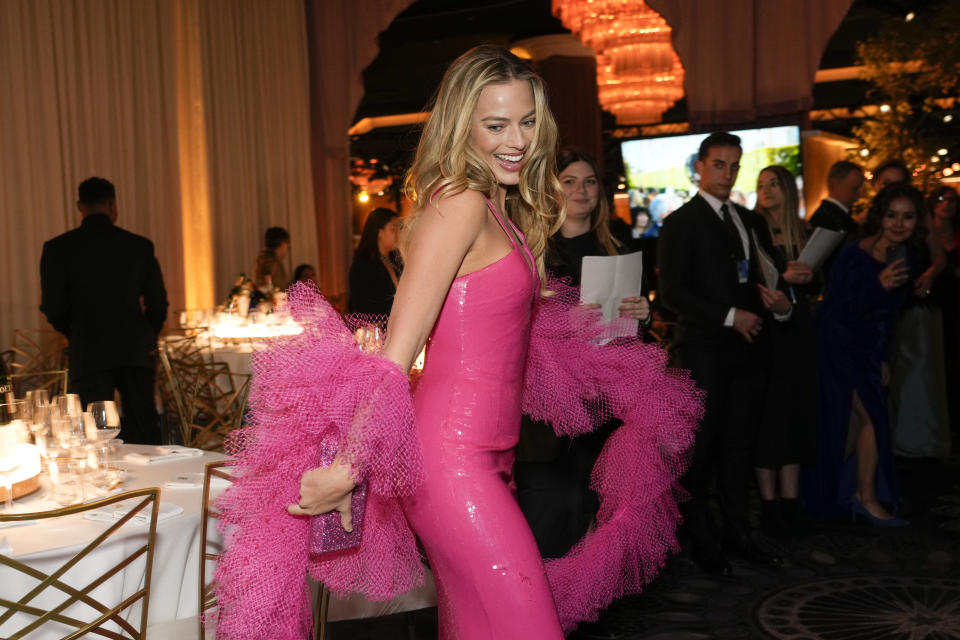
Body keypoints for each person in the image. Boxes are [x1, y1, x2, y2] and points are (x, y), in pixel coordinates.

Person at [214, 46, 701, 640]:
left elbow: (509, 339)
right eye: (496, 125)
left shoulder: (499, 205)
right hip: (452, 464)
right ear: (462, 126)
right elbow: (398, 354)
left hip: (491, 458)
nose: (516, 140)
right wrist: (348, 468)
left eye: (526, 122)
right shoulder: (460, 203)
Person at [658, 132, 793, 575]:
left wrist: (781, 295)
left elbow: (763, 278)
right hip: (704, 354)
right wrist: (730, 315)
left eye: (734, 166)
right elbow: (673, 294)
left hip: (750, 353)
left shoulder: (750, 221)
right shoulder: (681, 222)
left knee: (739, 448)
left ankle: (738, 531)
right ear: (699, 166)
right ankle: (703, 540)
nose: (727, 173)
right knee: (702, 452)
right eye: (718, 164)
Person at [516, 147, 650, 559]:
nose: (581, 190)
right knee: (562, 500)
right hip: (556, 400)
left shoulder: (616, 246)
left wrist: (643, 313)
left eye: (589, 181)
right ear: (553, 190)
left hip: (609, 394)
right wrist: (562, 322)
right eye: (569, 181)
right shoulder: (535, 249)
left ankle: (595, 590)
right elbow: (515, 323)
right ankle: (555, 598)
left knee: (604, 494)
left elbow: (631, 326)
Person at [805, 183, 926, 526]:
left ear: (917, 222)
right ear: (879, 217)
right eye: (892, 216)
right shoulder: (854, 255)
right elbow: (834, 312)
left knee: (853, 424)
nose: (899, 224)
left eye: (908, 217)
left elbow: (890, 317)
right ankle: (865, 497)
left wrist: (884, 357)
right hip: (838, 346)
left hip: (869, 352)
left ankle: (822, 490)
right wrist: (878, 286)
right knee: (872, 419)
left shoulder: (906, 257)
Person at [40, 177, 168, 444]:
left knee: (96, 432)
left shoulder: (58, 249)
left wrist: (76, 332)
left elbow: (53, 308)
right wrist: (146, 332)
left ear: (79, 206)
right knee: (143, 426)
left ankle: (106, 483)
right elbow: (158, 302)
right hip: (134, 347)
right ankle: (154, 484)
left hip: (89, 349)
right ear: (113, 205)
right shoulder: (138, 246)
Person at [752, 165, 818, 537]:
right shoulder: (752, 232)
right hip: (766, 336)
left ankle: (791, 505)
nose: (767, 190)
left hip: (799, 335)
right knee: (767, 420)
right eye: (760, 185)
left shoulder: (804, 234)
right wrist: (782, 281)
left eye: (774, 183)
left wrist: (807, 280)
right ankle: (769, 507)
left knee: (795, 415)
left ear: (788, 190)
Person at [347, 207, 402, 316]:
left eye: (398, 229)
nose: (398, 234)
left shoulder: (395, 260)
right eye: (393, 229)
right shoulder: (363, 265)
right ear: (379, 232)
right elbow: (361, 305)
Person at [809, 160, 864, 236]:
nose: (860, 194)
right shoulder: (824, 220)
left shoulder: (833, 216)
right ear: (833, 185)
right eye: (854, 188)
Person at [253, 226, 290, 292]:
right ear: (282, 243)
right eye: (287, 243)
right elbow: (264, 285)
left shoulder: (269, 258)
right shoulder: (269, 260)